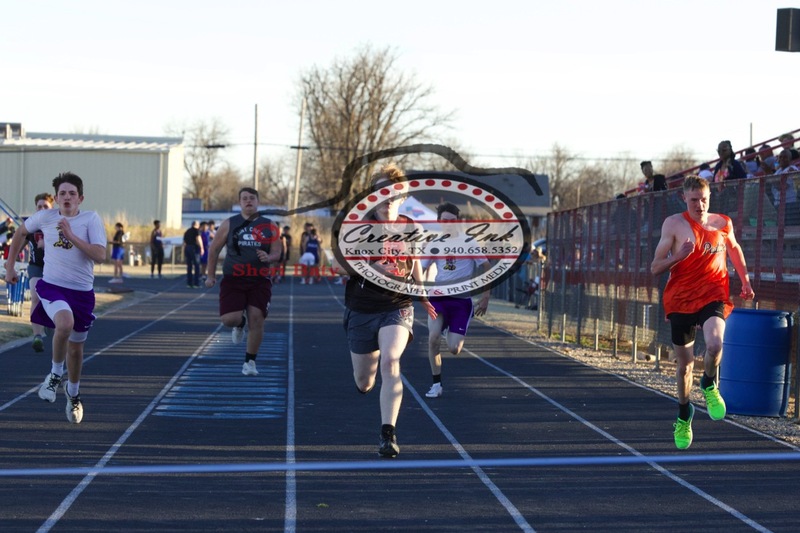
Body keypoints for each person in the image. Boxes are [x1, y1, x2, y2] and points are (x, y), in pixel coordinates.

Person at [339, 163, 436, 458]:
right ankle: (368, 370)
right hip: (362, 306)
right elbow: (339, 261)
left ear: (402, 196)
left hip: (397, 306)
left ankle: (387, 434)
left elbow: (416, 262)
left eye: (393, 191)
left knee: (391, 362)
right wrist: (370, 266)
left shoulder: (411, 228)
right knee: (364, 381)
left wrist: (421, 294)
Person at [651, 175, 754, 450]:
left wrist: (745, 280)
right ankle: (684, 413)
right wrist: (678, 256)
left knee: (715, 343)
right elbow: (655, 267)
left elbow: (734, 249)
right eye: (694, 199)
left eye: (704, 199)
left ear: (710, 198)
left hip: (713, 294)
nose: (700, 204)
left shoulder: (722, 223)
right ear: (684, 198)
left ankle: (708, 383)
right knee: (684, 365)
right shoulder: (674, 224)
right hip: (681, 299)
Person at [4, 172, 107, 424]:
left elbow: (100, 255)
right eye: (62, 193)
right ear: (56, 198)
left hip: (82, 292)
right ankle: (54, 375)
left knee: (76, 350)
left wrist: (71, 235)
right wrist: (9, 267)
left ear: (80, 198)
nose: (67, 197)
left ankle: (73, 394)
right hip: (52, 286)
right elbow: (19, 234)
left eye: (72, 193)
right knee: (64, 324)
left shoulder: (90, 219)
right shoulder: (45, 217)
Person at [204, 187, 281, 376]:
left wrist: (268, 257)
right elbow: (213, 250)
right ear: (239, 203)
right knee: (229, 320)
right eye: (244, 198)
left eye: (252, 198)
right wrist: (210, 275)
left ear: (258, 202)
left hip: (259, 280)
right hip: (234, 279)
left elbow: (277, 252)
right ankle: (240, 324)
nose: (248, 201)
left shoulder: (270, 225)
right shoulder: (229, 224)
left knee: (257, 319)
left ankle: (250, 362)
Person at [422, 202, 490, 399]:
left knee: (454, 349)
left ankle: (448, 327)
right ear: (439, 222)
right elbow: (422, 269)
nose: (448, 224)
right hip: (438, 298)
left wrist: (485, 296)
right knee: (433, 338)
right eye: (444, 221)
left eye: (452, 221)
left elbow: (487, 267)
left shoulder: (469, 243)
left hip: (461, 301)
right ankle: (436, 385)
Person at [26, 192, 55, 352]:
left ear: (51, 208)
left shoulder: (57, 225)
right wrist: (10, 266)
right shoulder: (30, 225)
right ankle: (37, 336)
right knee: (36, 297)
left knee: (51, 299)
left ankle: (50, 321)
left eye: (46, 206)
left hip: (54, 267)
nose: (42, 209)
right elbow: (18, 241)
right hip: (35, 266)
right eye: (39, 206)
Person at [771, 149, 800, 226]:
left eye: (785, 157)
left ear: (790, 159)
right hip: (778, 203)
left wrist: (768, 173)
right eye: (780, 157)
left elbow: (782, 187)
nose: (782, 159)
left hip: (790, 204)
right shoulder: (778, 171)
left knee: (790, 227)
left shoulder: (792, 170)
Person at [183, 220, 203, 288]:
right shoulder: (197, 231)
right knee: (197, 266)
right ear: (197, 225)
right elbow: (198, 239)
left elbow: (184, 242)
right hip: (194, 248)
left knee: (189, 266)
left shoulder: (187, 231)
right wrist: (202, 248)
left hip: (188, 248)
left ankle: (189, 283)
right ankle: (196, 283)